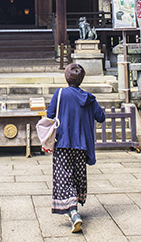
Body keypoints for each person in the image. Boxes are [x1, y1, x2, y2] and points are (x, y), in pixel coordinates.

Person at [46, 63, 105, 233]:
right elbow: (101, 117)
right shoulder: (89, 98)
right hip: (81, 146)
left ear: (66, 77)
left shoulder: (60, 94)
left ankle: (73, 212)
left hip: (63, 142)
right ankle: (74, 207)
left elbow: (49, 115)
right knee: (77, 175)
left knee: (64, 176)